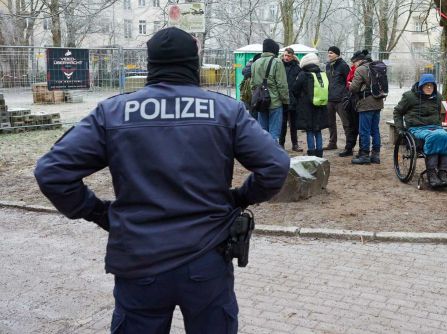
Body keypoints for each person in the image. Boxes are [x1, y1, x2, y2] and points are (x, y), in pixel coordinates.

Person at [33, 27, 290, 333]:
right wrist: (239, 199)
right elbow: (275, 165)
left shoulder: (113, 112)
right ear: (193, 63)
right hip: (206, 257)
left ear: (151, 64)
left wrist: (99, 213)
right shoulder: (225, 110)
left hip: (140, 259)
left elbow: (52, 172)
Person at [393, 73, 447, 188]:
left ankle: (443, 173)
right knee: (435, 137)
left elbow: (441, 114)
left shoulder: (438, 97)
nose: (429, 88)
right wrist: (400, 129)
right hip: (416, 129)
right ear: (421, 85)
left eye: (431, 85)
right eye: (426, 85)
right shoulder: (409, 97)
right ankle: (431, 174)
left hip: (435, 128)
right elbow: (397, 112)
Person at [349, 49, 383, 164]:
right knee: (375, 130)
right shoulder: (376, 67)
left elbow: (354, 88)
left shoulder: (361, 69)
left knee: (364, 130)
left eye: (354, 62)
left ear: (358, 61)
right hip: (378, 102)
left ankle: (364, 155)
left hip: (366, 104)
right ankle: (376, 155)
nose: (353, 65)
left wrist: (350, 85)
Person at [252, 38, 289, 141]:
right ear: (274, 50)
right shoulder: (277, 62)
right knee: (274, 133)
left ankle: (263, 155)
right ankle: (273, 155)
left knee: (263, 132)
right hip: (275, 103)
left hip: (260, 102)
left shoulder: (255, 63)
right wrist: (285, 101)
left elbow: (253, 85)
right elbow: (282, 85)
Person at [292, 53, 329, 157]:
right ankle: (319, 152)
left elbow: (295, 89)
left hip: (306, 106)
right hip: (321, 105)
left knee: (309, 130)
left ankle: (311, 152)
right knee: (318, 129)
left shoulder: (303, 74)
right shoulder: (322, 74)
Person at [324, 46, 351, 151]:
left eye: (331, 53)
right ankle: (332, 143)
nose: (329, 54)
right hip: (329, 98)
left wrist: (345, 95)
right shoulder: (327, 66)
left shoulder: (343, 66)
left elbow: (348, 82)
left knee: (346, 123)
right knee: (330, 122)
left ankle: (349, 144)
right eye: (328, 53)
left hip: (341, 99)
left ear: (337, 54)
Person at [280, 47, 302, 151]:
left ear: (292, 56)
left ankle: (295, 144)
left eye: (288, 56)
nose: (286, 57)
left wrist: (296, 94)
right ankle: (281, 144)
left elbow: (299, 83)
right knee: (282, 124)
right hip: (282, 99)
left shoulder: (297, 68)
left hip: (293, 99)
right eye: (285, 55)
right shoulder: (279, 66)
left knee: (293, 124)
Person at [338, 59, 360, 157]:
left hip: (357, 101)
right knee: (352, 126)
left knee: (357, 127)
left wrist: (351, 85)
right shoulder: (352, 69)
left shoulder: (359, 70)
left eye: (354, 61)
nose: (352, 63)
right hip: (351, 100)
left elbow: (355, 86)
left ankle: (362, 150)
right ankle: (349, 148)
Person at [240, 52, 261, 118]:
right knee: (255, 112)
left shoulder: (247, 67)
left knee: (252, 110)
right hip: (253, 92)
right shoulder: (254, 67)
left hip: (248, 93)